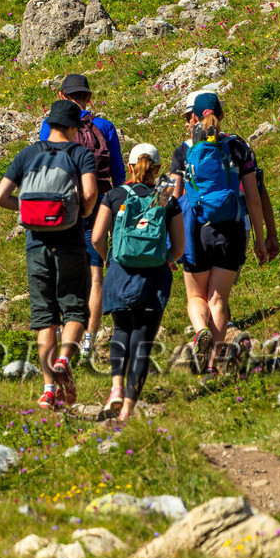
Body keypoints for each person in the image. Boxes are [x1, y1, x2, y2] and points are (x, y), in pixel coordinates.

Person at [0, 100, 100, 410]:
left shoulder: (28, 153)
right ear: (72, 128)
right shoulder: (80, 154)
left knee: (44, 317)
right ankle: (65, 359)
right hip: (69, 241)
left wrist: (26, 211)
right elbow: (91, 192)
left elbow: (0, 196)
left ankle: (48, 389)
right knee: (75, 309)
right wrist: (79, 213)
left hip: (36, 244)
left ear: (50, 125)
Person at [167, 90, 269, 374]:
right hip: (232, 229)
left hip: (196, 231)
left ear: (194, 118)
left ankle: (200, 331)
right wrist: (261, 238)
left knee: (196, 298)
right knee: (218, 299)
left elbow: (174, 200)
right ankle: (213, 364)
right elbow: (253, 196)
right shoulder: (239, 147)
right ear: (221, 115)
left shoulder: (184, 151)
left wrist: (170, 244)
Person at [90, 143, 184, 423]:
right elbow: (179, 247)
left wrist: (111, 259)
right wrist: (164, 259)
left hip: (120, 274)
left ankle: (116, 388)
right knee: (143, 340)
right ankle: (129, 409)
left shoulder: (114, 195)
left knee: (121, 329)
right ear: (157, 169)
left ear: (130, 167)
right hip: (154, 277)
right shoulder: (166, 199)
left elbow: (96, 238)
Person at [39, 74, 122, 366]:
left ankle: (61, 334)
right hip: (99, 207)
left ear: (62, 96)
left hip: (63, 211)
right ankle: (88, 342)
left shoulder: (50, 126)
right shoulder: (105, 126)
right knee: (95, 276)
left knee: (60, 271)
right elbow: (119, 175)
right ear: (88, 97)